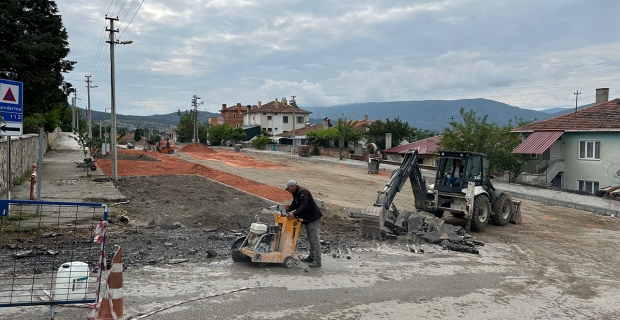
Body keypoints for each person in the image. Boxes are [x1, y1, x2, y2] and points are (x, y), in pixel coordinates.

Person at [284, 180, 323, 267]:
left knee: (314, 240)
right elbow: (295, 204)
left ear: (292, 186)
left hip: (313, 218)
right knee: (310, 239)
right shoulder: (296, 193)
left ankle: (318, 260)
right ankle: (312, 257)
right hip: (308, 219)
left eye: (288, 189)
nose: (288, 191)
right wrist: (289, 208)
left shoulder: (303, 192)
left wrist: (293, 213)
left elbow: (303, 205)